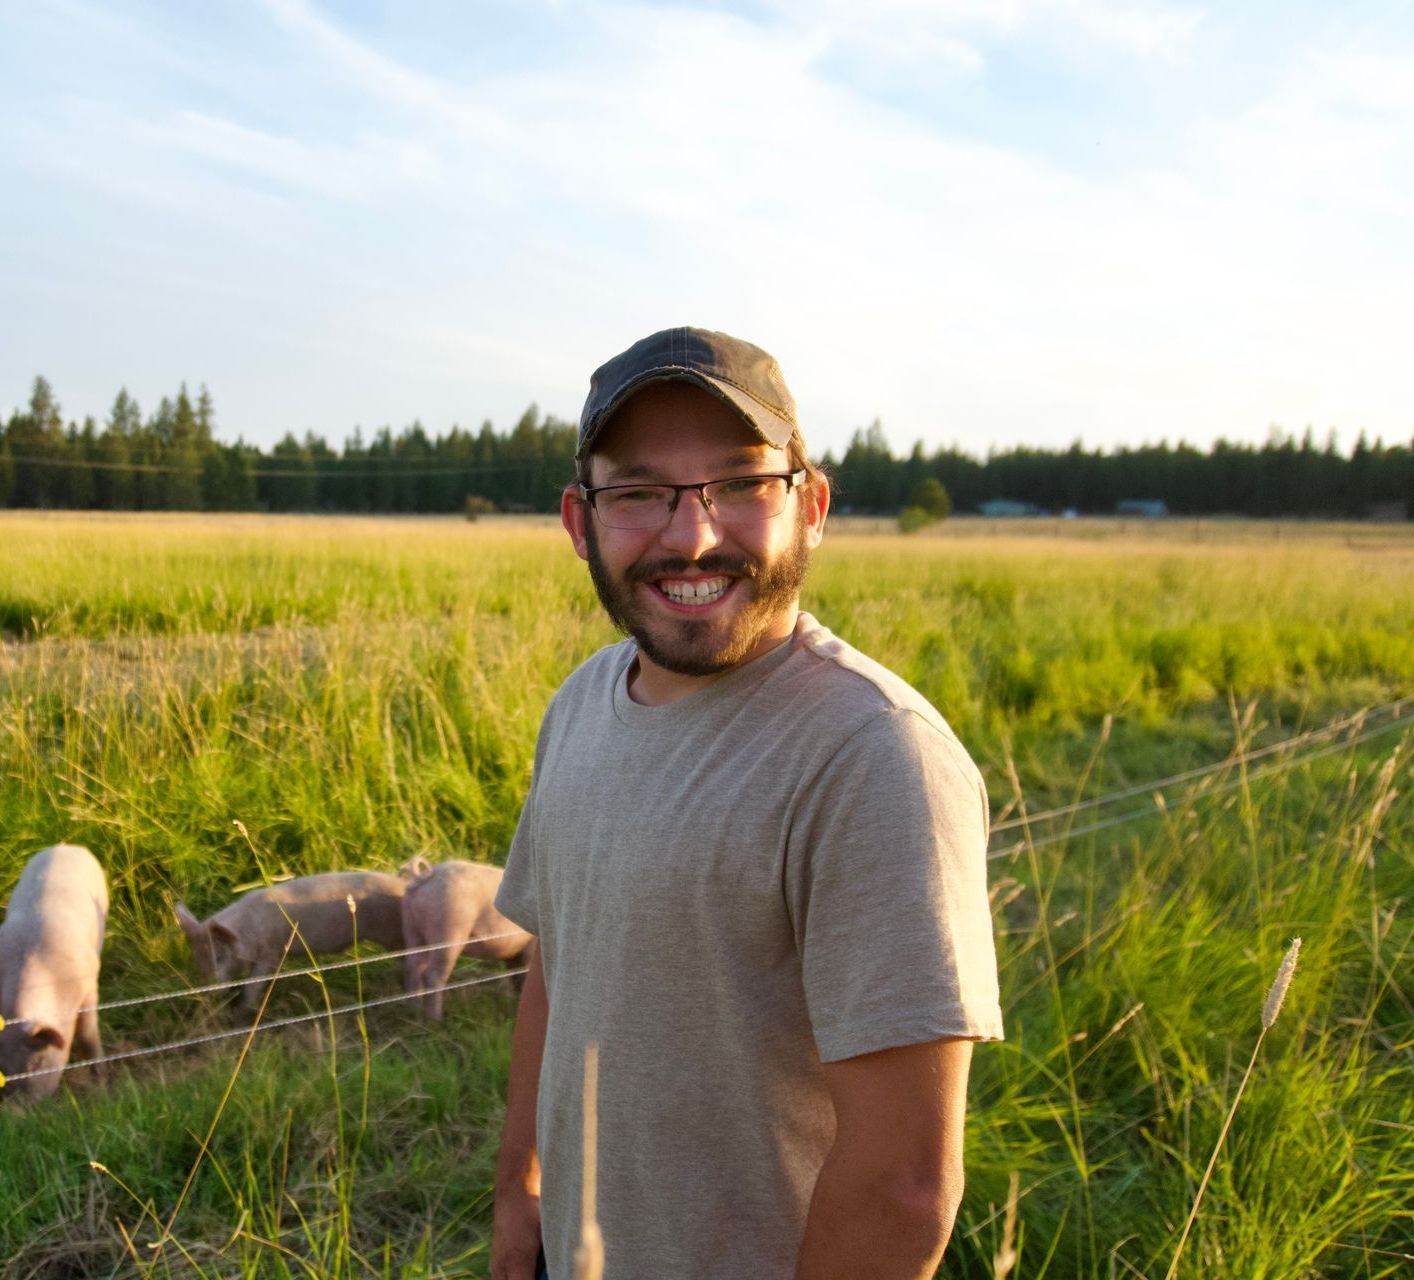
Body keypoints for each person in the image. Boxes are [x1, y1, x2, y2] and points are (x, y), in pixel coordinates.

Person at [491, 327, 1003, 1280]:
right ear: (579, 521)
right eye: (639, 492)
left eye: (739, 485)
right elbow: (559, 968)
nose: (692, 535)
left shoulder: (872, 757)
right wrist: (521, 1192)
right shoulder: (580, 707)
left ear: (809, 506)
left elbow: (905, 1187)